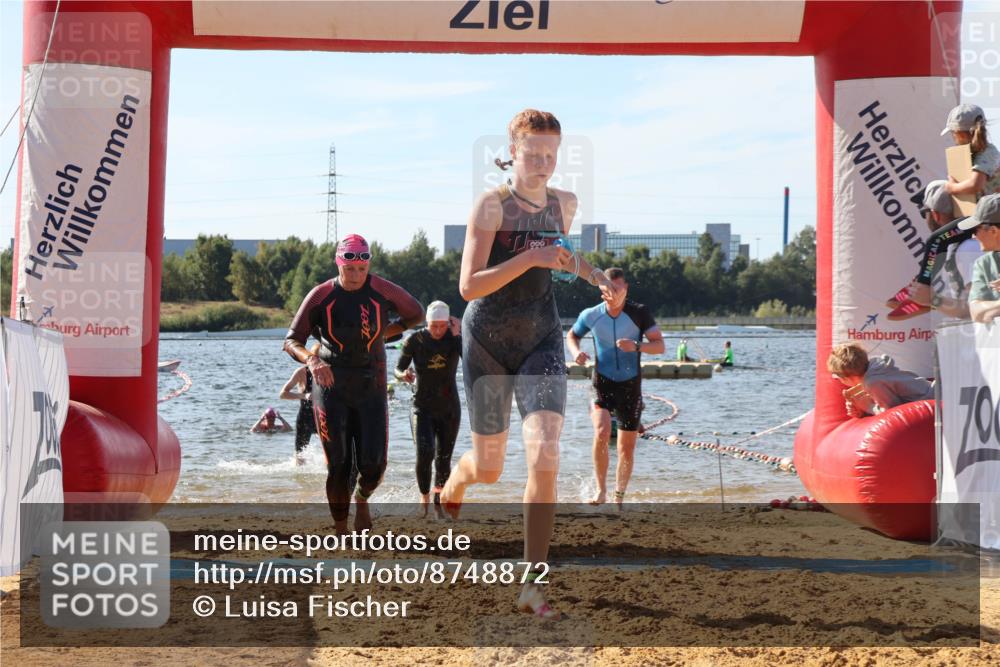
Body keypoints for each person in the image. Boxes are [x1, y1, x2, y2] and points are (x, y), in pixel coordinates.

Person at [439, 108, 621, 619]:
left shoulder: (565, 203)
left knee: (546, 451)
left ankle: (531, 585)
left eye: (551, 153)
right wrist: (528, 259)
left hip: (541, 335)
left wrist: (593, 275)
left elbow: (560, 254)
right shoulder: (491, 208)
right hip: (488, 342)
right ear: (513, 152)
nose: (542, 162)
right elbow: (468, 286)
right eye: (533, 152)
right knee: (490, 468)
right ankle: (456, 482)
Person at [284, 234, 423, 534]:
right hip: (331, 387)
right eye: (350, 269)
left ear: (368, 265)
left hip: (371, 387)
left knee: (375, 464)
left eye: (362, 269)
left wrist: (386, 332)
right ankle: (340, 528)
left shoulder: (381, 289)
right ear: (339, 264)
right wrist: (313, 360)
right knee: (339, 464)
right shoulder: (322, 295)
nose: (357, 276)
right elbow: (292, 340)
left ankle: (362, 499)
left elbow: (416, 314)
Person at [889, 104, 999, 319]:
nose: (953, 139)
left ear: (960, 133)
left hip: (986, 217)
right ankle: (921, 286)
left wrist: (951, 188)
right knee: (944, 243)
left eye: (954, 135)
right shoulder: (971, 154)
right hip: (978, 215)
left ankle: (923, 290)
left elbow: (976, 185)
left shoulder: (987, 152)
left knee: (935, 240)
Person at [566, 267, 664, 508]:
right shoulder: (592, 315)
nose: (614, 293)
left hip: (630, 388)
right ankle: (601, 491)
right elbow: (572, 335)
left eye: (619, 288)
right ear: (602, 291)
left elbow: (659, 345)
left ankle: (619, 496)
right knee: (600, 431)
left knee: (625, 448)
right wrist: (576, 352)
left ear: (626, 288)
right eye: (609, 288)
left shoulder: (639, 313)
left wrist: (637, 346)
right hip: (601, 383)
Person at [394, 300, 463, 515]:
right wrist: (403, 375)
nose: (439, 330)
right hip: (421, 407)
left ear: (449, 323)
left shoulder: (454, 339)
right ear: (427, 322)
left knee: (443, 459)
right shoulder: (414, 340)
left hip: (449, 407)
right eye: (434, 326)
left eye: (443, 326)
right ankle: (424, 498)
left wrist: (459, 334)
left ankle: (438, 501)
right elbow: (397, 368)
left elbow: (470, 360)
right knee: (425, 453)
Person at [826, 342, 934, 418]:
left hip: (933, 398)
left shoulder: (872, 382)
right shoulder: (876, 369)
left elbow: (893, 412)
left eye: (837, 376)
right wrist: (860, 409)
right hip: (933, 391)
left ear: (849, 377)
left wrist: (868, 407)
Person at [959, 194, 1000, 323]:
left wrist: (993, 310)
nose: (973, 236)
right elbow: (975, 311)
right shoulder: (984, 264)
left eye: (975, 230)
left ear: (993, 231)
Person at [280, 344, 322, 464]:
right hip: (306, 417)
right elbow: (283, 394)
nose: (320, 364)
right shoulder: (301, 372)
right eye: (317, 359)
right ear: (311, 358)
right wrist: (304, 396)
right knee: (300, 456)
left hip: (323, 417)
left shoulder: (329, 371)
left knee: (331, 451)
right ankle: (299, 479)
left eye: (323, 360)